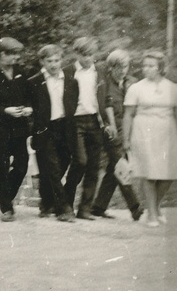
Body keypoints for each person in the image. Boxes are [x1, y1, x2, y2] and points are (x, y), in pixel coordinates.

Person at [0, 37, 33, 222]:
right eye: (12, 54)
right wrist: (4, 110)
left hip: (19, 128)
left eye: (17, 54)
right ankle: (7, 208)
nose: (16, 58)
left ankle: (3, 194)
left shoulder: (21, 73)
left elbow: (29, 96)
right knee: (1, 166)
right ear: (1, 55)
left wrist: (28, 108)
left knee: (22, 164)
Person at [122, 51, 177, 228]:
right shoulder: (136, 88)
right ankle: (152, 214)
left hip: (167, 131)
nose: (146, 69)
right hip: (143, 130)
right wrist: (126, 139)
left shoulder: (172, 87)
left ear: (160, 67)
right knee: (149, 173)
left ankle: (154, 205)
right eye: (144, 65)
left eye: (151, 66)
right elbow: (128, 115)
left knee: (169, 174)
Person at [28, 44, 79, 222]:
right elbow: (32, 108)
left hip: (65, 128)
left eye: (57, 60)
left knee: (63, 163)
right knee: (53, 168)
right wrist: (33, 131)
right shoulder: (34, 81)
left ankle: (47, 202)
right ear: (42, 61)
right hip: (45, 129)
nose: (54, 64)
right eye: (49, 61)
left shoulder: (71, 81)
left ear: (62, 60)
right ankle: (63, 208)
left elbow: (72, 105)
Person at [91, 49, 143, 221]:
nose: (122, 70)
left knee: (114, 169)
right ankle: (135, 207)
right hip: (111, 131)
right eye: (118, 67)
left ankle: (98, 207)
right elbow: (102, 108)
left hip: (128, 131)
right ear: (111, 68)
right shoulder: (104, 84)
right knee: (121, 165)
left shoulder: (132, 83)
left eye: (125, 66)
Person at [62, 37, 105, 220]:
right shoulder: (68, 72)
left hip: (95, 121)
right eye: (84, 55)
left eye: (91, 55)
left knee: (94, 166)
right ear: (77, 54)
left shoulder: (100, 72)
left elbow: (104, 96)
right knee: (80, 161)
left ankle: (85, 208)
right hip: (76, 121)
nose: (88, 59)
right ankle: (66, 204)